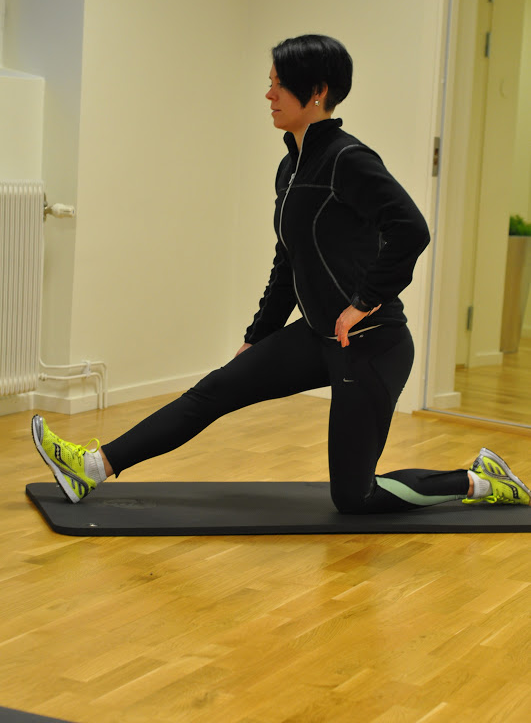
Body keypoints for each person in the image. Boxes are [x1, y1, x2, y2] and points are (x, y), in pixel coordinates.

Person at [31, 34, 530, 512]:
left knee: (355, 499)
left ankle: (480, 480)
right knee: (214, 390)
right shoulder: (290, 169)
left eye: (279, 84)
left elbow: (411, 229)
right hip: (317, 336)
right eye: (269, 83)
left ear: (317, 92)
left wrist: (363, 301)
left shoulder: (348, 159)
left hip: (371, 345)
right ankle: (91, 468)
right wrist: (259, 336)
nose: (269, 94)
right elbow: (288, 261)